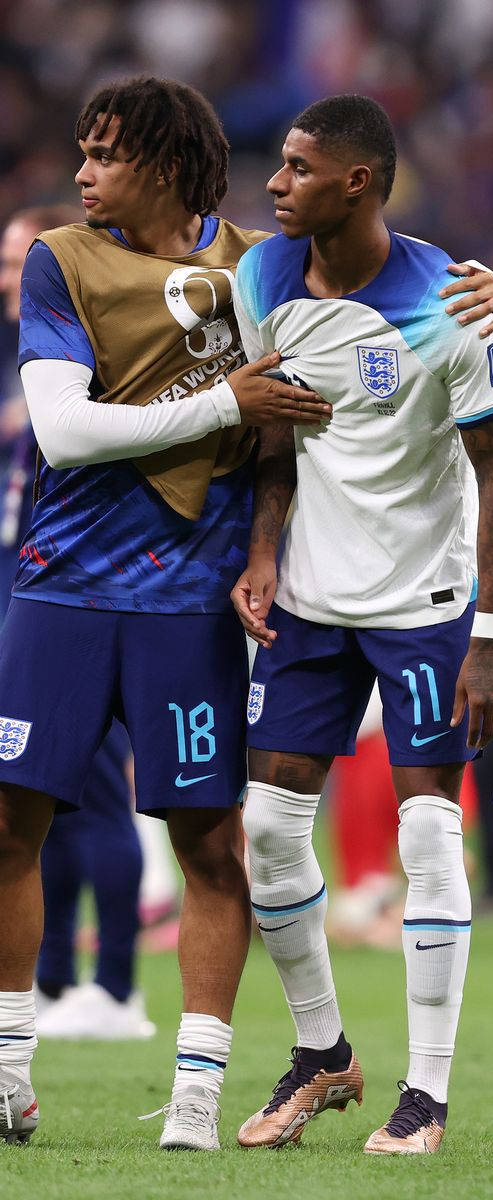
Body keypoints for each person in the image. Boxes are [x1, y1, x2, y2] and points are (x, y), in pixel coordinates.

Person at [0, 75, 493, 1150]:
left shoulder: (341, 279)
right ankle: (32, 1066)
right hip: (162, 591)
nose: (83, 174)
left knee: (279, 842)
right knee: (66, 828)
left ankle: (307, 1091)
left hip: (297, 602)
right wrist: (245, 468)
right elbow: (125, 432)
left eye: (104, 154)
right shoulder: (143, 263)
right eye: (79, 154)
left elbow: (470, 420)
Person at [228, 94, 493, 1157]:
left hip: (426, 609)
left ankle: (426, 1096)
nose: (276, 183)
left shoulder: (453, 300)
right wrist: (264, 550)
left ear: (357, 182)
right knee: (267, 831)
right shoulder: (262, 277)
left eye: (298, 168)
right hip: (308, 598)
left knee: (432, 834)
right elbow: (275, 436)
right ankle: (323, 1057)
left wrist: (492, 635)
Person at [0, 204, 153, 1042]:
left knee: (96, 798)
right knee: (32, 801)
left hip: (81, 600)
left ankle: (120, 986)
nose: (10, 276)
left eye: (23, 259)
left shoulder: (86, 358)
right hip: (22, 605)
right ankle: (54, 977)